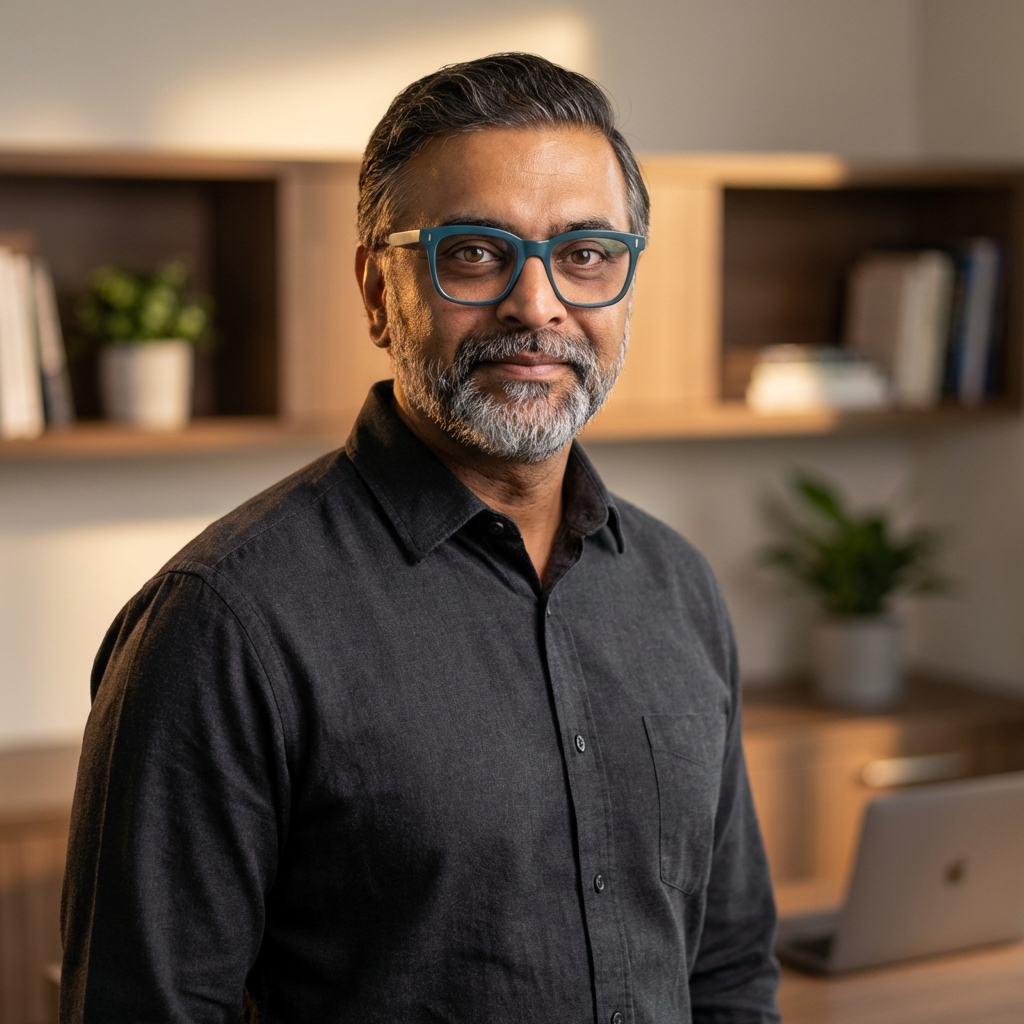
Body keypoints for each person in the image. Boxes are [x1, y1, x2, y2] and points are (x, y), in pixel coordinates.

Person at [61, 53, 780, 1024]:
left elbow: (728, 969)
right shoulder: (224, 624)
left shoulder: (676, 586)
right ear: (375, 291)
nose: (537, 306)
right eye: (476, 253)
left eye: (584, 254)